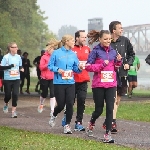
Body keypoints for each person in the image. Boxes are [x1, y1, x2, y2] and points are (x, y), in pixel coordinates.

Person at [85, 30, 122, 142]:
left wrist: (118, 62)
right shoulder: (95, 51)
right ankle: (92, 122)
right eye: (105, 39)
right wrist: (101, 65)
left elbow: (115, 67)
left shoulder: (113, 52)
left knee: (110, 108)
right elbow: (88, 66)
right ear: (100, 39)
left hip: (111, 84)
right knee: (99, 110)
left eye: (109, 39)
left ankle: (107, 134)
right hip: (98, 85)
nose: (108, 41)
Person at [102, 21, 135, 133]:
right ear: (113, 30)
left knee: (117, 100)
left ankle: (109, 119)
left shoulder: (125, 40)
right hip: (109, 74)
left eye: (122, 28)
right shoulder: (107, 41)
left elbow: (132, 54)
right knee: (112, 99)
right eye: (120, 28)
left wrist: (128, 64)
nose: (122, 30)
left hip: (122, 73)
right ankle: (112, 122)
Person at [48, 35, 83, 134]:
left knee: (70, 104)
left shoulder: (73, 54)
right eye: (72, 40)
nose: (74, 42)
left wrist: (80, 68)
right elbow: (50, 66)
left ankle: (67, 125)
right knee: (61, 105)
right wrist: (57, 69)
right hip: (59, 83)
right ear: (66, 42)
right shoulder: (56, 53)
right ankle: (54, 115)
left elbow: (76, 69)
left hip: (70, 83)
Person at [61, 30, 90, 131]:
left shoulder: (87, 49)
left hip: (83, 79)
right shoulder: (71, 49)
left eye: (85, 37)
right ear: (77, 38)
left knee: (81, 100)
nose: (84, 39)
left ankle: (79, 122)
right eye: (82, 37)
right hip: (71, 80)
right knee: (70, 102)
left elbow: (91, 62)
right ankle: (66, 119)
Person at [1, 42, 24, 118]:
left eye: (17, 47)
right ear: (11, 48)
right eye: (15, 47)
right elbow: (1, 67)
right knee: (8, 95)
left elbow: (20, 65)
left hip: (16, 78)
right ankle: (6, 102)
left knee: (15, 94)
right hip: (8, 79)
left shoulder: (18, 57)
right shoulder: (6, 57)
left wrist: (21, 68)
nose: (17, 48)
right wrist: (10, 66)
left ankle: (13, 112)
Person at [37, 39, 59, 116]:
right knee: (44, 93)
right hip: (44, 78)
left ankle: (52, 110)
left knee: (53, 93)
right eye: (50, 48)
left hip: (53, 78)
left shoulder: (56, 56)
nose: (51, 50)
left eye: (52, 48)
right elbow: (41, 67)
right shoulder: (44, 57)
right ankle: (41, 103)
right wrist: (48, 65)